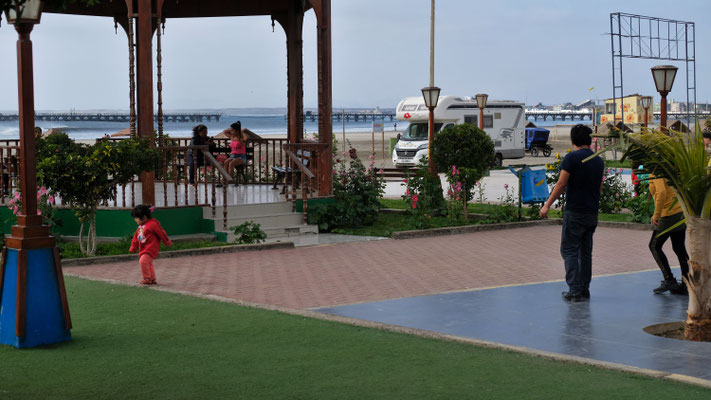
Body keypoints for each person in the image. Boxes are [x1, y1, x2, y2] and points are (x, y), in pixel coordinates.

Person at [540, 124, 604, 302]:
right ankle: (584, 288)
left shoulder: (571, 158)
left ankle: (574, 289)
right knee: (585, 252)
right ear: (589, 140)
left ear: (573, 140)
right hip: (591, 213)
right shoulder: (598, 160)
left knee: (569, 249)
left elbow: (561, 184)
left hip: (575, 211)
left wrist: (547, 205)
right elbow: (600, 187)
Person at [648, 176, 689, 295]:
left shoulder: (655, 170)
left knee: (654, 246)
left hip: (667, 215)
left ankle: (669, 279)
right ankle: (688, 282)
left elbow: (661, 192)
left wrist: (656, 215)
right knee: (679, 248)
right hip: (679, 212)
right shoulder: (668, 165)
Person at [129, 205, 172, 285]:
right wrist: (133, 247)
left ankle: (147, 278)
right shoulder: (140, 227)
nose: (135, 220)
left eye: (136, 218)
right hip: (143, 248)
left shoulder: (152, 225)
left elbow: (161, 232)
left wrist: (167, 242)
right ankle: (152, 279)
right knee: (148, 263)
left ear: (144, 217)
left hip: (151, 248)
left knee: (143, 261)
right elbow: (135, 238)